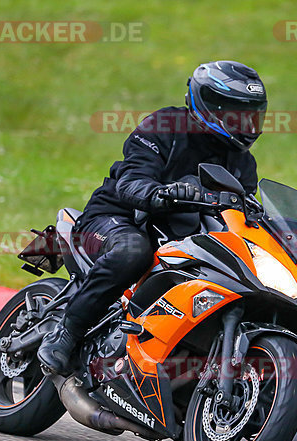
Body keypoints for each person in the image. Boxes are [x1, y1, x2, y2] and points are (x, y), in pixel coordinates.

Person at [37, 60, 268, 374]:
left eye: (252, 115)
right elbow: (131, 181)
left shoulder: (243, 163)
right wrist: (165, 192)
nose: (246, 123)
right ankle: (65, 334)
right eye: (237, 114)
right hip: (116, 219)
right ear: (210, 106)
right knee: (133, 252)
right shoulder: (166, 126)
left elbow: (244, 211)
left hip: (180, 236)